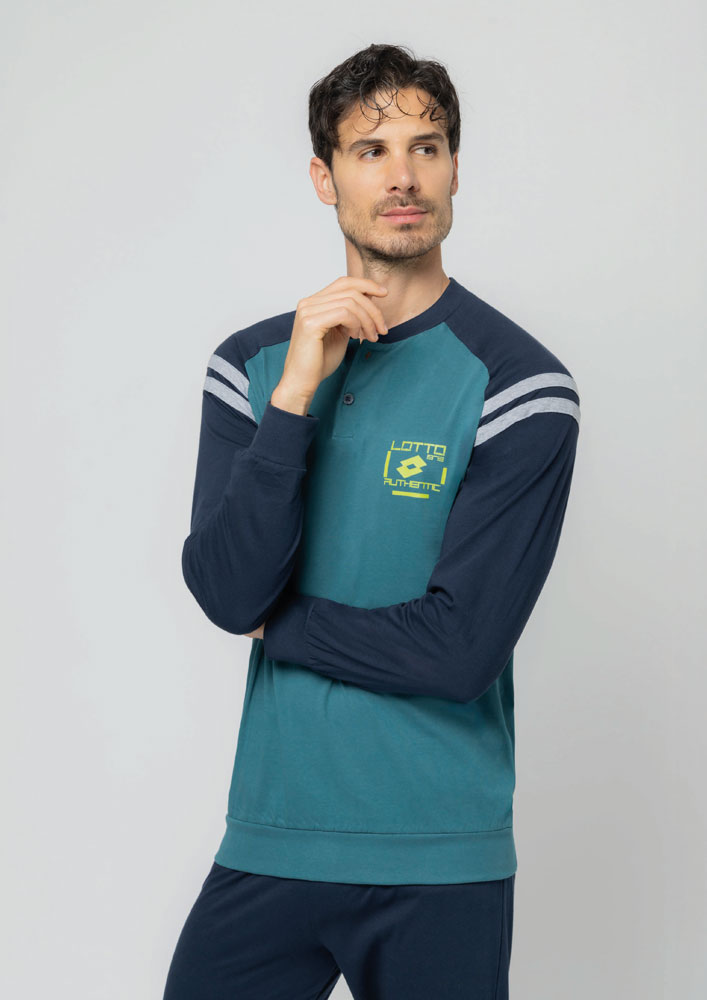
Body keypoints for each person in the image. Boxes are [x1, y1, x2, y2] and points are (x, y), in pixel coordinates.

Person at [163, 42, 580, 1000]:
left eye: (425, 148)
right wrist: (294, 399)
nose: (402, 177)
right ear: (325, 177)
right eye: (370, 150)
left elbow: (457, 650)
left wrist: (279, 624)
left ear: (454, 169)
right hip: (271, 836)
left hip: (441, 854)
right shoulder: (252, 367)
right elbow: (227, 593)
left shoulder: (520, 385)